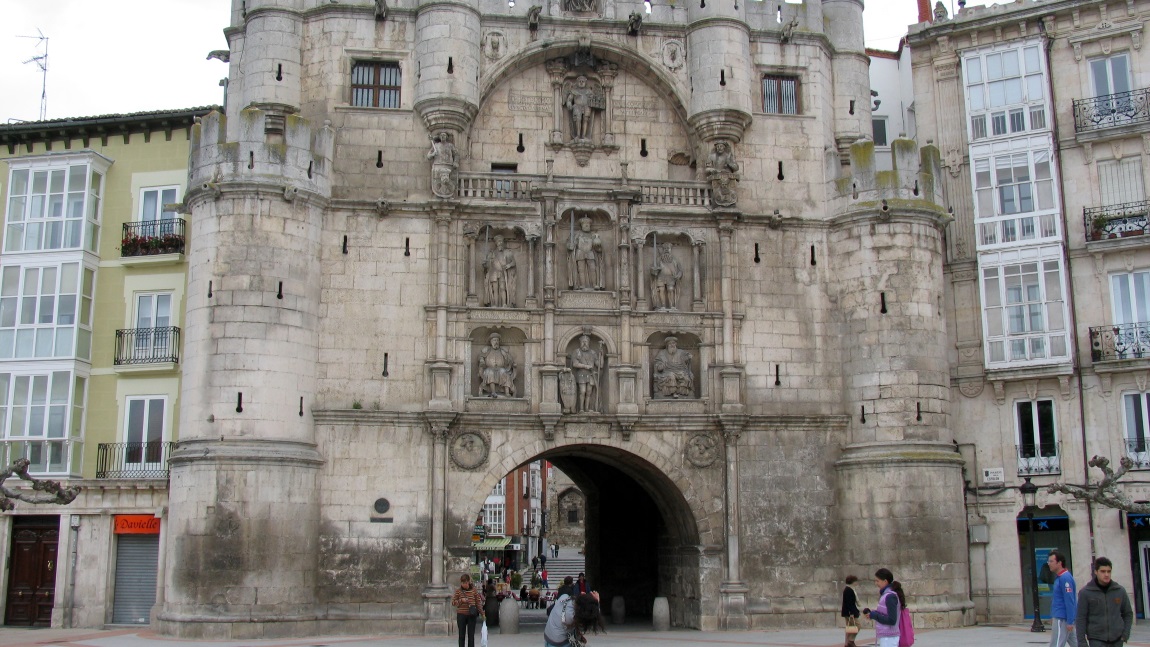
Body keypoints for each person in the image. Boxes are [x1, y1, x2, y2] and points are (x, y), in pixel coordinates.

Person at [1076, 557, 1132, 647]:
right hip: (1096, 639)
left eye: (1109, 571)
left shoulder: (1119, 591)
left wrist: (1125, 634)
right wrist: (1082, 642)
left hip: (1117, 639)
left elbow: (1128, 613)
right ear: (1096, 572)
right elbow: (1080, 618)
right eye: (1103, 571)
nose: (1106, 574)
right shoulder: (1085, 592)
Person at [862, 568, 900, 647]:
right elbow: (885, 613)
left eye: (877, 581)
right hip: (887, 636)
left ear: (885, 581)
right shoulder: (886, 595)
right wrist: (873, 613)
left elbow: (892, 620)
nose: (876, 583)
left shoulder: (890, 596)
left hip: (889, 637)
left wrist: (875, 615)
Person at [1047, 551, 1077, 647]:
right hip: (1060, 616)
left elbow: (1070, 600)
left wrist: (1070, 621)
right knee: (1075, 643)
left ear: (1059, 563)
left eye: (1051, 561)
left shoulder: (1065, 578)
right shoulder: (1060, 577)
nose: (1049, 563)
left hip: (1062, 618)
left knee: (1056, 644)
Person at [478, 333, 517, 398]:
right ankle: (493, 392)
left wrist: (511, 362)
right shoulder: (487, 349)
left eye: (497, 340)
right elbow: (480, 356)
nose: (496, 342)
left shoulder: (503, 350)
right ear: (491, 342)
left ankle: (507, 393)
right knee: (490, 372)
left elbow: (510, 359)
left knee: (503, 372)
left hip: (501, 368)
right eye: (494, 340)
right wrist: (481, 360)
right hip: (489, 368)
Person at [452, 573, 484, 647]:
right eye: (463, 583)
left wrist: (482, 613)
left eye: (466, 583)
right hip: (461, 615)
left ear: (468, 582)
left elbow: (478, 602)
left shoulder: (474, 590)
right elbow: (453, 603)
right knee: (461, 635)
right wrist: (461, 600)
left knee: (471, 636)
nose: (464, 585)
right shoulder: (458, 591)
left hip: (471, 615)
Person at [841, 575, 860, 647]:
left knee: (850, 628)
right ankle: (850, 641)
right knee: (857, 625)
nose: (857, 583)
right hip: (849, 613)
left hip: (848, 612)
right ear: (852, 582)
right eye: (856, 581)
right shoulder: (849, 590)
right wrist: (852, 613)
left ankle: (847, 643)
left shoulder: (850, 589)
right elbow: (849, 603)